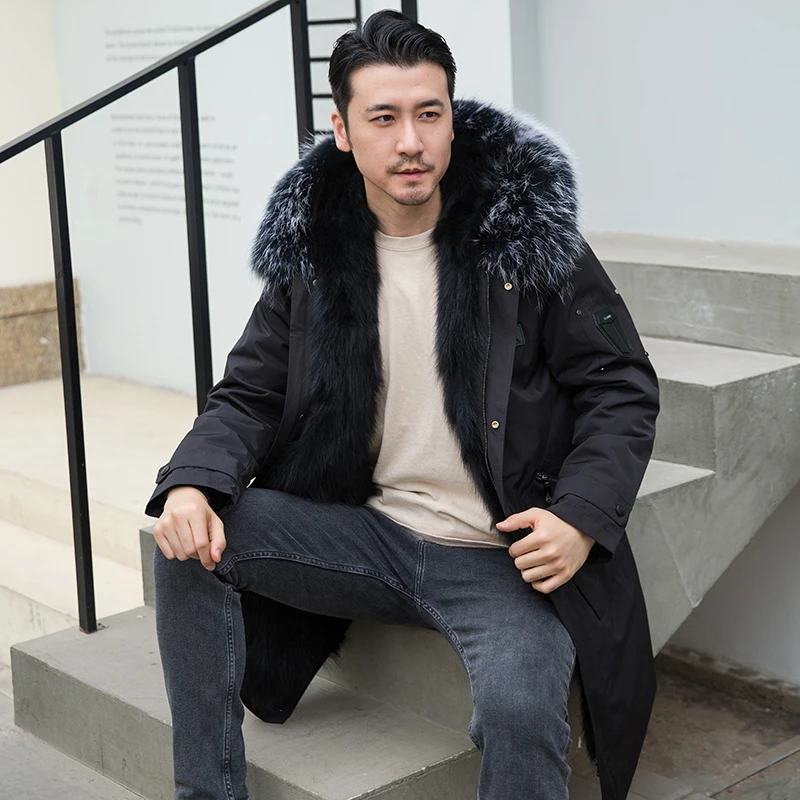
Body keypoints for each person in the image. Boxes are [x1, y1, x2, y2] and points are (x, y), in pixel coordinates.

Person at [145, 10, 660, 800]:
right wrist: (192, 483)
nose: (411, 141)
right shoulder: (315, 254)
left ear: (452, 119)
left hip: (500, 556)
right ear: (343, 131)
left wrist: (581, 518)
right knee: (186, 538)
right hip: (368, 533)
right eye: (383, 118)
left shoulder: (523, 237)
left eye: (429, 113)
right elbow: (248, 392)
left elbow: (619, 386)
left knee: (521, 711)